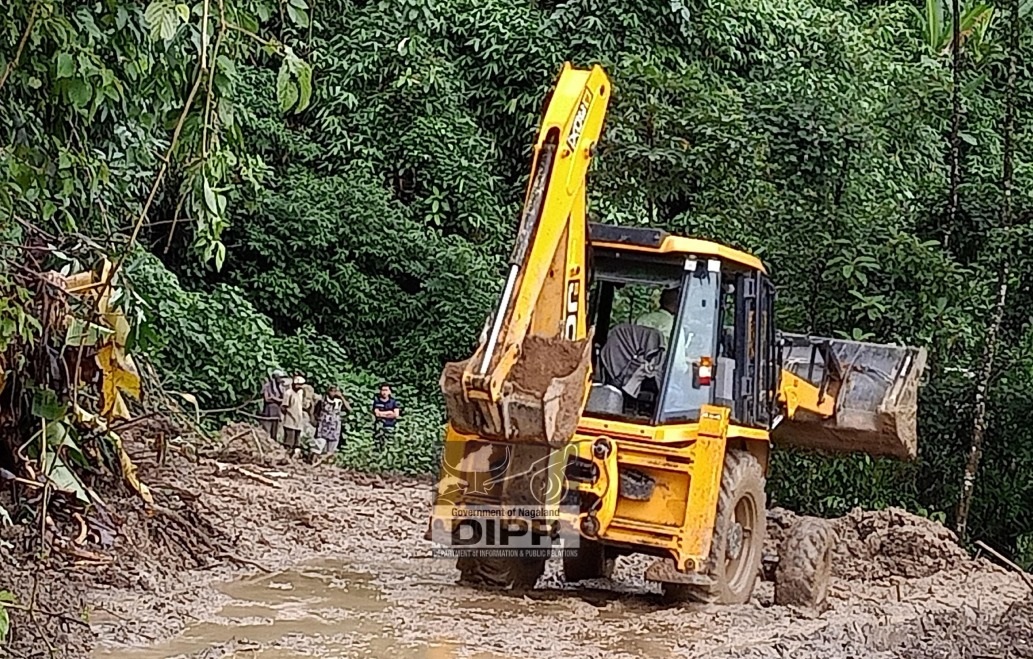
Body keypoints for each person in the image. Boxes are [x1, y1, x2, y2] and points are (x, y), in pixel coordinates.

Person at [315, 385, 352, 454]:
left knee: (331, 450)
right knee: (320, 448)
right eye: (332, 391)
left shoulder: (339, 401)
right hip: (323, 428)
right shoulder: (322, 400)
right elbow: (316, 412)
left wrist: (341, 397)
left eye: (335, 391)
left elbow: (349, 409)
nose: (334, 393)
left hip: (334, 428)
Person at [281, 375, 307, 456]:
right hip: (290, 421)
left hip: (298, 421)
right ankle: (286, 456)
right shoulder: (288, 393)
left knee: (297, 442)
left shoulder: (300, 393)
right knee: (289, 441)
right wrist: (289, 415)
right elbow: (284, 407)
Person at [259, 369, 286, 442]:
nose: (281, 379)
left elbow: (283, 400)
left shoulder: (281, 387)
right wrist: (276, 399)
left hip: (276, 412)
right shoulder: (267, 386)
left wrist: (274, 398)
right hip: (268, 411)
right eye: (280, 377)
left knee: (274, 432)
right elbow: (267, 399)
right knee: (266, 430)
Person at [372, 383, 400, 448]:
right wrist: (389, 412)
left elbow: (396, 414)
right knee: (378, 444)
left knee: (390, 445)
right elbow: (377, 414)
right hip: (379, 427)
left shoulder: (393, 402)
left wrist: (382, 414)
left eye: (386, 390)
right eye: (383, 390)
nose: (384, 392)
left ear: (390, 391)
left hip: (390, 426)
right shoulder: (377, 401)